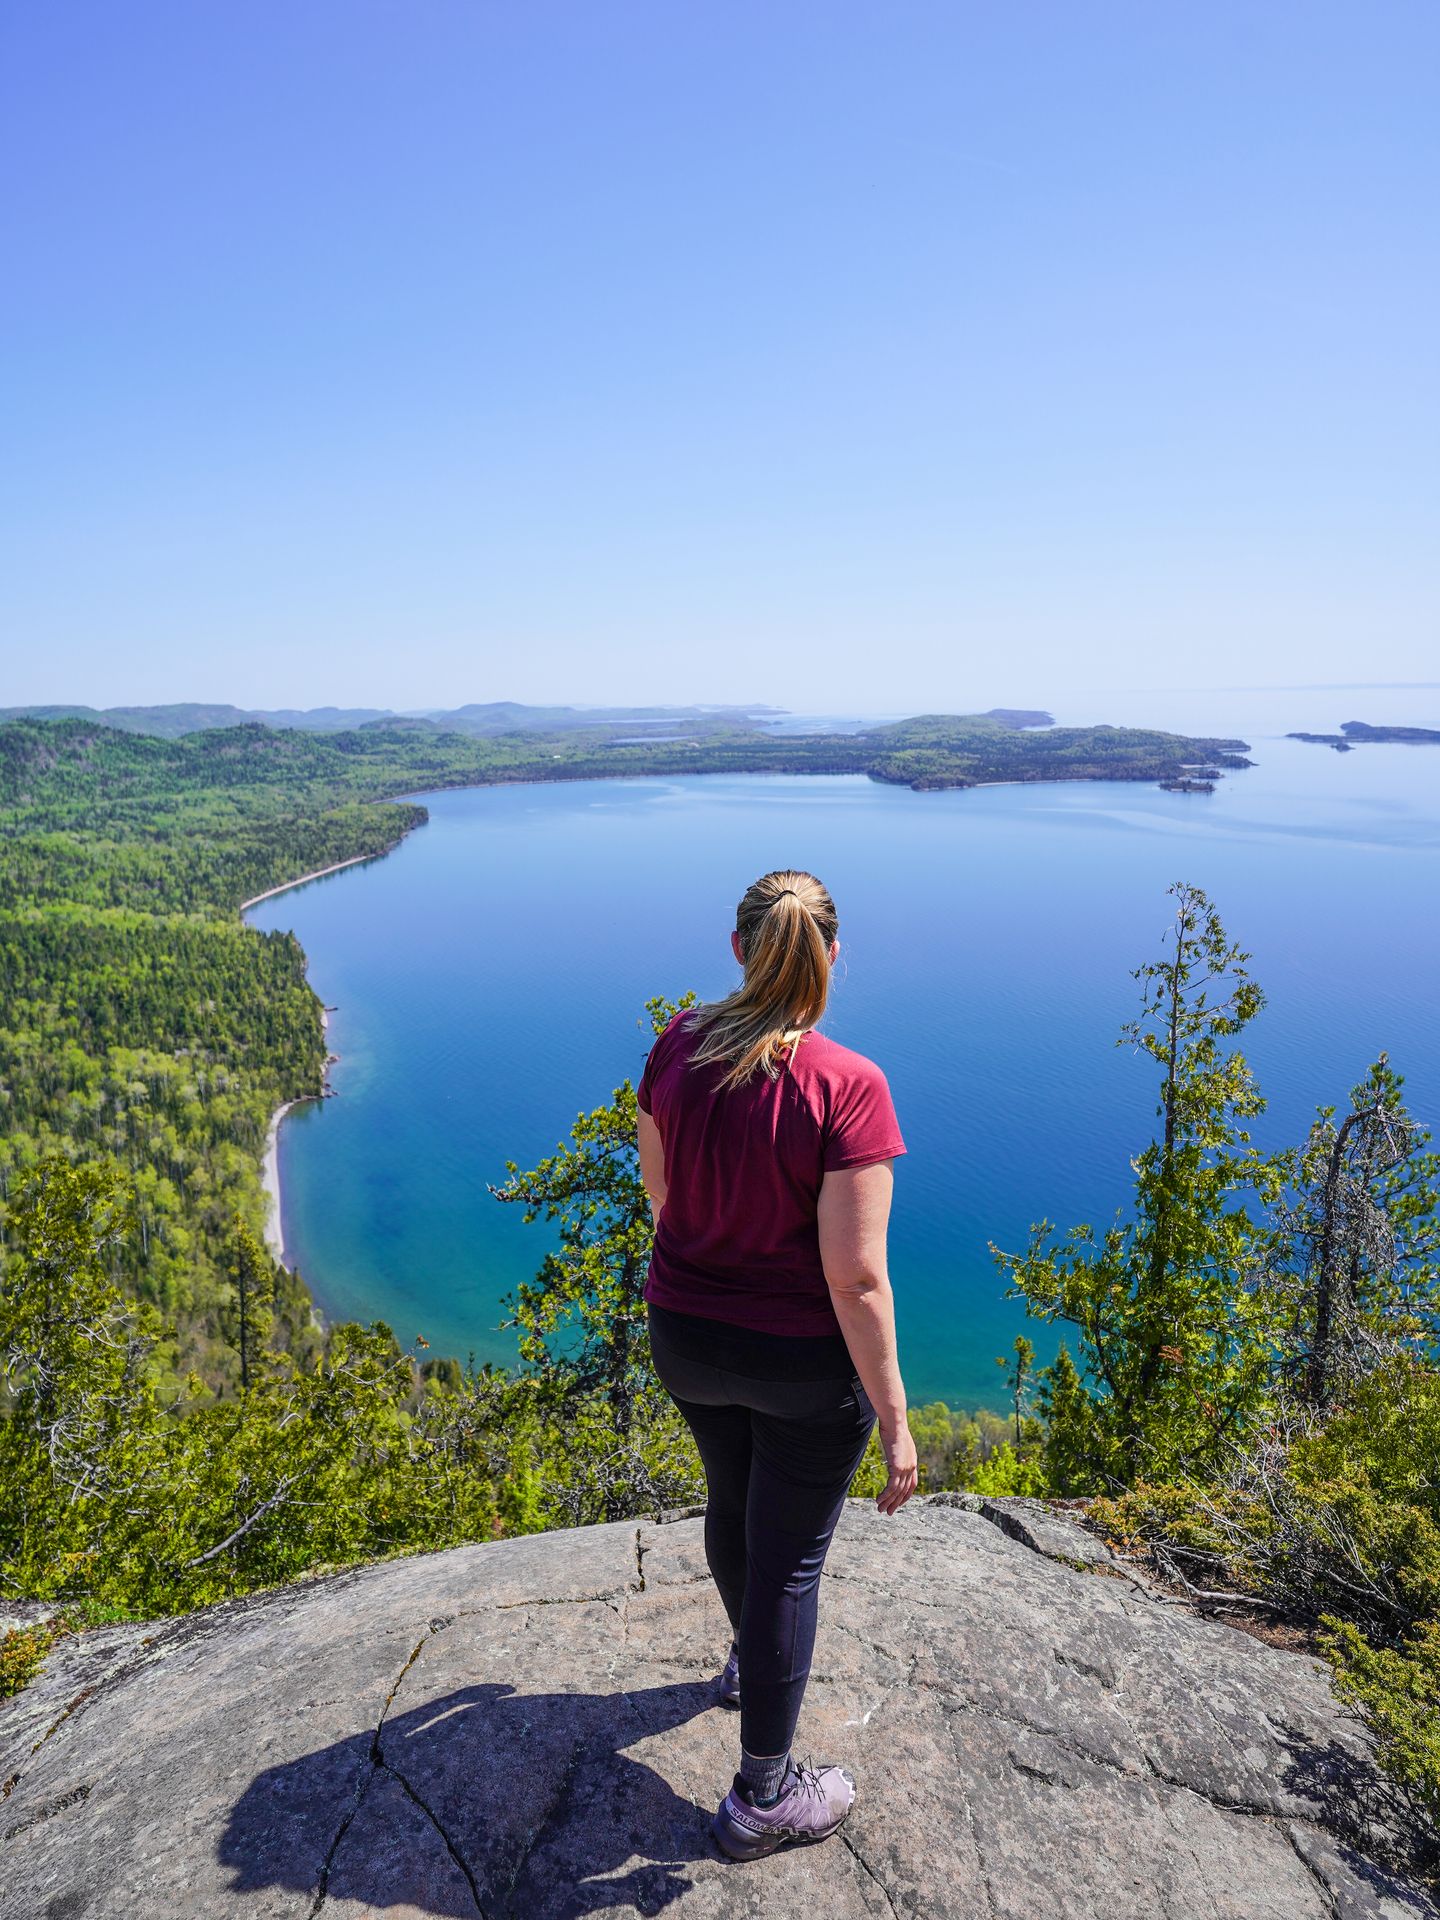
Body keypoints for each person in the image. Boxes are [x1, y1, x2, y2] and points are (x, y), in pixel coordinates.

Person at [635, 867, 918, 1862]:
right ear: (830, 956)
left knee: (732, 1501)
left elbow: (662, 1198)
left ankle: (753, 1671)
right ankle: (762, 1796)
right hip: (801, 1366)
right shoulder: (849, 1087)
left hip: (685, 1338)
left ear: (738, 947)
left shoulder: (676, 1044)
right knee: (789, 1560)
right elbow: (857, 1282)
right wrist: (894, 1416)